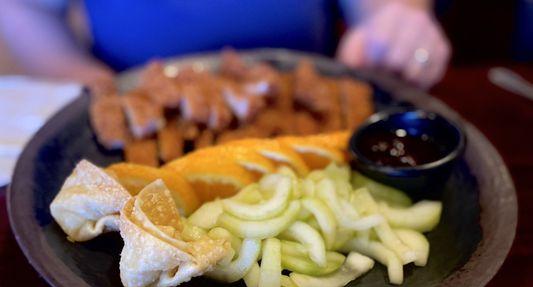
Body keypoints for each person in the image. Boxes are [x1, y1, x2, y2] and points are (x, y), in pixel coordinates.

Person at [0, 0, 450, 89]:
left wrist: (397, 22)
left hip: (301, 89)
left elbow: (382, 10)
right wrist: (81, 80)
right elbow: (25, 9)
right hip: (130, 85)